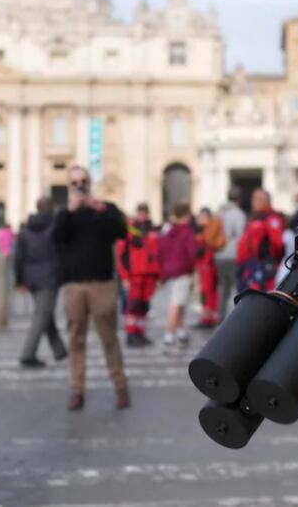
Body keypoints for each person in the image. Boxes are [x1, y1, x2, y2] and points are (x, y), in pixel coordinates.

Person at [52, 165, 130, 411]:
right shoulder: (65, 213)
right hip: (74, 285)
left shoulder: (106, 209)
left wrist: (101, 208)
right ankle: (76, 389)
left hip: (102, 284)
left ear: (90, 182)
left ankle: (120, 385)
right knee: (76, 339)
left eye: (83, 181)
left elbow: (122, 231)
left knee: (109, 337)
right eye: (74, 183)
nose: (80, 186)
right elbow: (55, 238)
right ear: (69, 186)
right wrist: (70, 210)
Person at [15, 197, 67, 367]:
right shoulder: (55, 228)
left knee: (45, 313)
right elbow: (62, 252)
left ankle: (59, 350)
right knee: (42, 315)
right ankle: (28, 354)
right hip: (50, 276)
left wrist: (20, 280)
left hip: (31, 277)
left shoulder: (25, 230)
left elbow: (19, 258)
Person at [116, 202, 161, 347]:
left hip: (149, 275)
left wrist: (158, 276)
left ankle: (140, 333)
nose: (142, 215)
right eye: (140, 212)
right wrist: (125, 277)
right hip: (135, 275)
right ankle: (131, 333)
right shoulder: (129, 231)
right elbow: (122, 255)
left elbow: (157, 254)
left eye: (144, 212)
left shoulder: (152, 230)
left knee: (143, 306)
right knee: (133, 306)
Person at [157, 202, 197, 347]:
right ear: (186, 215)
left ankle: (181, 331)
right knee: (176, 303)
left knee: (179, 302)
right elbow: (192, 252)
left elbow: (160, 250)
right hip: (182, 270)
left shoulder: (169, 231)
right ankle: (169, 334)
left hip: (169, 270)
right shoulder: (187, 232)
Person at [235, 189, 285, 293]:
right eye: (253, 199)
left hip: (263, 268)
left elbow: (278, 245)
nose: (254, 202)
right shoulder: (253, 218)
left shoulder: (272, 219)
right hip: (248, 268)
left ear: (266, 201)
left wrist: (270, 263)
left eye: (258, 199)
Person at [214, 187, 246, 320]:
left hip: (219, 255)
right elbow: (240, 236)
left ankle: (220, 316)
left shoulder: (219, 213)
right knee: (237, 288)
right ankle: (238, 317)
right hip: (233, 255)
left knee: (223, 288)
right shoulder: (238, 214)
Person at [194, 207, 225, 328]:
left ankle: (208, 318)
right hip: (204, 264)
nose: (199, 219)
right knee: (207, 291)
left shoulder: (209, 230)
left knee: (208, 291)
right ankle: (207, 317)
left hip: (207, 264)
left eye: (202, 217)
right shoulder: (203, 230)